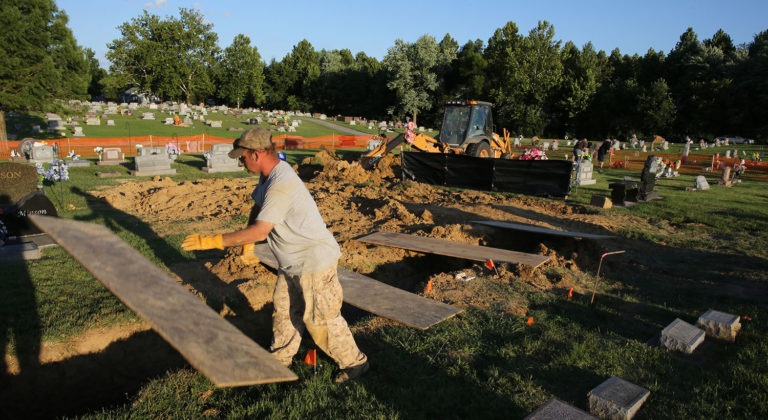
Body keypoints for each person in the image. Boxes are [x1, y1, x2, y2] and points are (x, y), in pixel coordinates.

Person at [181, 127, 369, 383]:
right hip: (291, 261)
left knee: (321, 320)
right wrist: (247, 246)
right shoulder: (267, 177)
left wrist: (214, 241)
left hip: (313, 262)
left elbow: (261, 230)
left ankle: (355, 364)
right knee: (284, 313)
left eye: (243, 157)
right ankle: (279, 360)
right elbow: (258, 207)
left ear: (257, 154)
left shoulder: (281, 183)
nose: (240, 161)